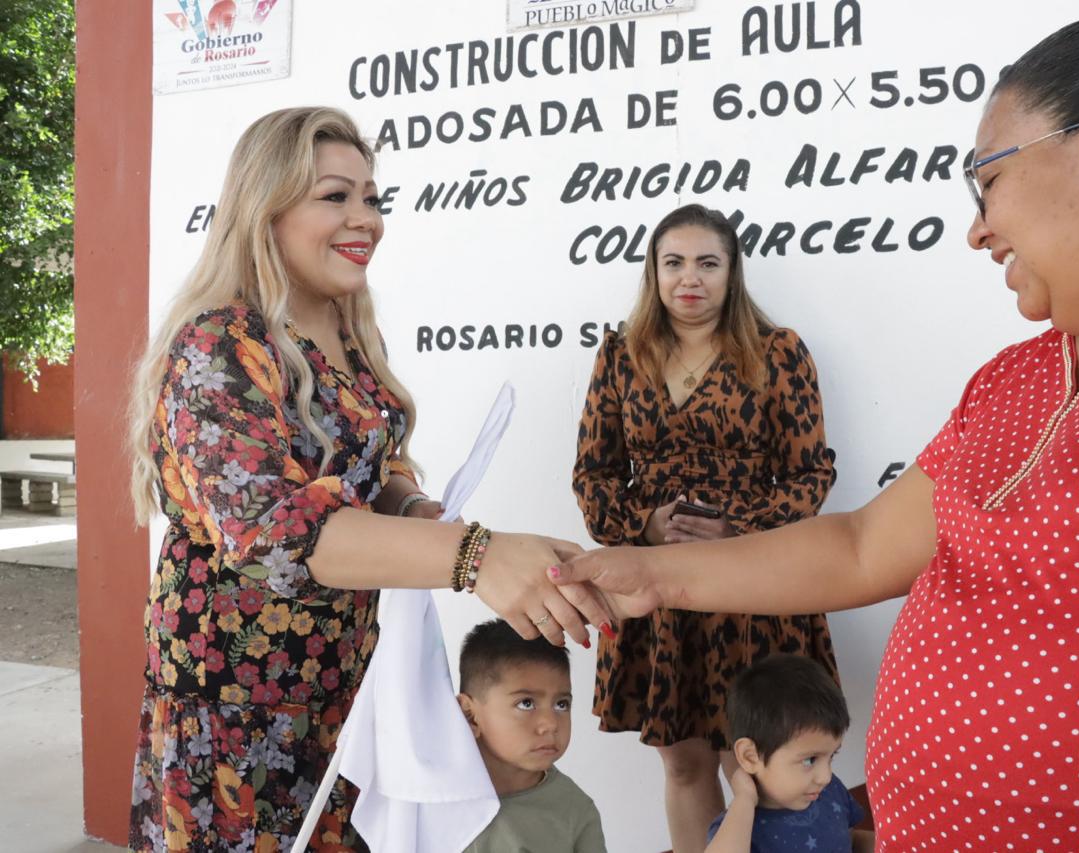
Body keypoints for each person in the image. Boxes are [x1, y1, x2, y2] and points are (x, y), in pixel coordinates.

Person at [553, 10, 1079, 849]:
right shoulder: (1016, 377)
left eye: (988, 181)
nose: (977, 227)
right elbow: (862, 546)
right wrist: (655, 573)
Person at [125, 107, 609, 852]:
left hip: (343, 692)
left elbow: (369, 466)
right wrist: (472, 555)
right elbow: (274, 531)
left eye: (372, 197)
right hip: (240, 711)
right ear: (266, 208)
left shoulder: (350, 329)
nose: (366, 219)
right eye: (335, 196)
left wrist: (414, 507)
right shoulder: (221, 342)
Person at [572, 203, 840, 851]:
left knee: (752, 762)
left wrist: (734, 529)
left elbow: (811, 477)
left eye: (706, 263)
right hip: (657, 589)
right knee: (683, 759)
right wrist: (646, 522)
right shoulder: (620, 354)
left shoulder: (778, 353)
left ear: (732, 271)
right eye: (674, 263)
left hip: (750, 587)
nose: (689, 278)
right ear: (653, 272)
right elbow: (592, 474)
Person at [457, 619, 607, 852]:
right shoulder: (432, 795)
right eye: (526, 703)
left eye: (561, 704)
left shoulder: (575, 810)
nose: (550, 724)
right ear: (470, 715)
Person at [706, 655, 873, 853]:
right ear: (750, 756)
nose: (825, 777)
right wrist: (744, 800)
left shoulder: (829, 791)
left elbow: (850, 840)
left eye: (831, 756)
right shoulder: (739, 827)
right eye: (810, 760)